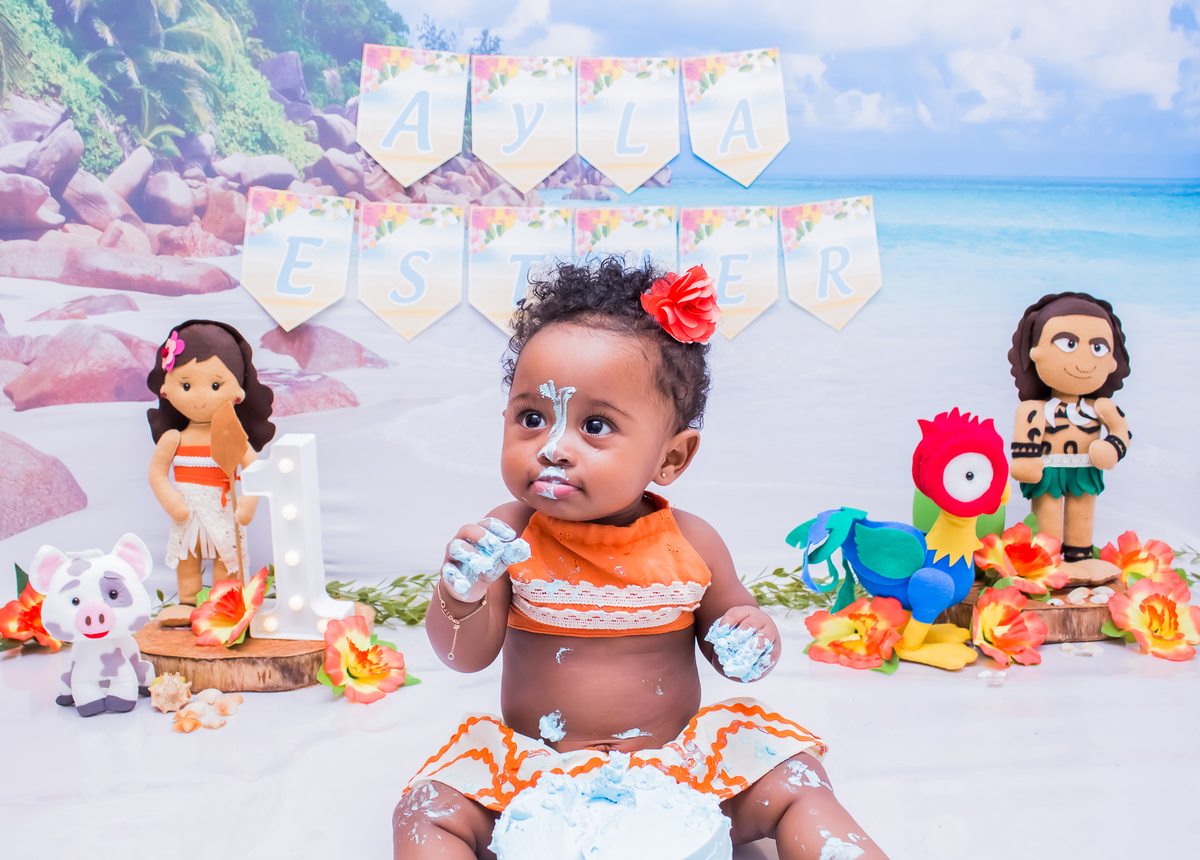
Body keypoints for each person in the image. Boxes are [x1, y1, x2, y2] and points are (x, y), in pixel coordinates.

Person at [394, 260, 889, 859]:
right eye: (532, 418)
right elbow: (464, 656)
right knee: (425, 811)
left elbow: (734, 640)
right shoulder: (508, 535)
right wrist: (461, 595)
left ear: (671, 458)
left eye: (595, 425)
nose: (553, 448)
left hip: (677, 769)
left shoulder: (692, 543)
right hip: (536, 771)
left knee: (799, 780)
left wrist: (751, 637)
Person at [146, 320, 275, 625]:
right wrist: (171, 500)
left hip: (222, 510)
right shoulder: (173, 438)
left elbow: (255, 469)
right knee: (186, 557)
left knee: (225, 558)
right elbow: (156, 474)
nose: (200, 397)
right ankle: (188, 602)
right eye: (186, 385)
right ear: (166, 389)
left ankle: (223, 603)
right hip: (187, 512)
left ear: (238, 393)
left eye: (216, 385)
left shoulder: (232, 437)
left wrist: (248, 503)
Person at [1007, 292, 1131, 585]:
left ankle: (1080, 557)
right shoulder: (1034, 410)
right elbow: (1025, 443)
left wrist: (1111, 448)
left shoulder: (1101, 407)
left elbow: (1122, 432)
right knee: (1047, 516)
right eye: (1068, 344)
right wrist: (1026, 460)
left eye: (1098, 347)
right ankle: (1048, 561)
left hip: (1085, 470)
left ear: (1112, 361)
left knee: (1082, 513)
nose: (1084, 360)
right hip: (1048, 471)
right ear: (1035, 352)